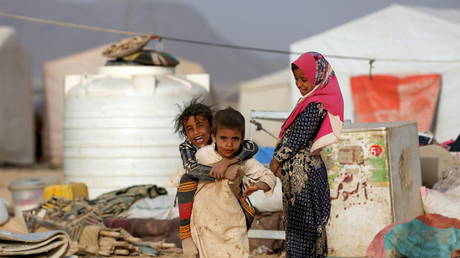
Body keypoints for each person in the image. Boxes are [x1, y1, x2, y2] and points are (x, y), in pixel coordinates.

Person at [269, 52, 344, 257]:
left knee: (303, 228)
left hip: (304, 175)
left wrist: (276, 160)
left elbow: (298, 137)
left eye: (304, 79)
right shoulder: (308, 102)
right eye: (296, 80)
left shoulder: (316, 104)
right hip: (299, 174)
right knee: (299, 226)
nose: (300, 85)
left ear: (318, 77)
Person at [172, 100, 258, 257]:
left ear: (212, 127)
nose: (196, 132)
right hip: (203, 189)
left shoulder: (222, 139)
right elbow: (192, 168)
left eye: (200, 126)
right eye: (189, 129)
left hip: (228, 194)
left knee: (243, 219)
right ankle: (185, 235)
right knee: (186, 179)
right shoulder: (187, 147)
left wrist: (228, 161)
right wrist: (221, 172)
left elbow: (252, 146)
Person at [190, 107, 277, 258]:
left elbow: (269, 177)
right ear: (214, 137)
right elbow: (193, 173)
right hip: (205, 221)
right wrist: (226, 168)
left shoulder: (246, 161)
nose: (229, 144)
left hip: (233, 221)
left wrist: (257, 186)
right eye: (224, 138)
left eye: (235, 139)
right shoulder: (203, 155)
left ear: (242, 139)